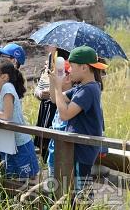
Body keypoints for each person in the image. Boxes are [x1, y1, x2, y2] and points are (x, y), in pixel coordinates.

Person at [48, 46, 106, 198]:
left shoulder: (88, 90)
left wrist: (59, 86)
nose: (70, 70)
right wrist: (53, 80)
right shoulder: (82, 87)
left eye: (72, 67)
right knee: (75, 189)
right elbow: (55, 99)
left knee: (81, 192)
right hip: (77, 146)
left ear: (84, 67)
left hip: (83, 149)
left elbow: (65, 114)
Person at [33, 46, 70, 162]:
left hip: (57, 108)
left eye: (51, 44)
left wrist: (53, 85)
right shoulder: (48, 64)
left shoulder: (66, 66)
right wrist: (39, 93)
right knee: (44, 143)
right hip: (45, 108)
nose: (47, 46)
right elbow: (38, 88)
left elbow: (63, 90)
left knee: (54, 142)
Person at [46, 60, 73, 177]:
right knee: (52, 172)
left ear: (67, 78)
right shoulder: (61, 94)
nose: (56, 76)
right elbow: (53, 99)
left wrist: (56, 84)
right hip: (55, 141)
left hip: (65, 142)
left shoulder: (72, 95)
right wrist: (53, 80)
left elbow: (56, 98)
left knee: (64, 175)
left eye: (59, 73)